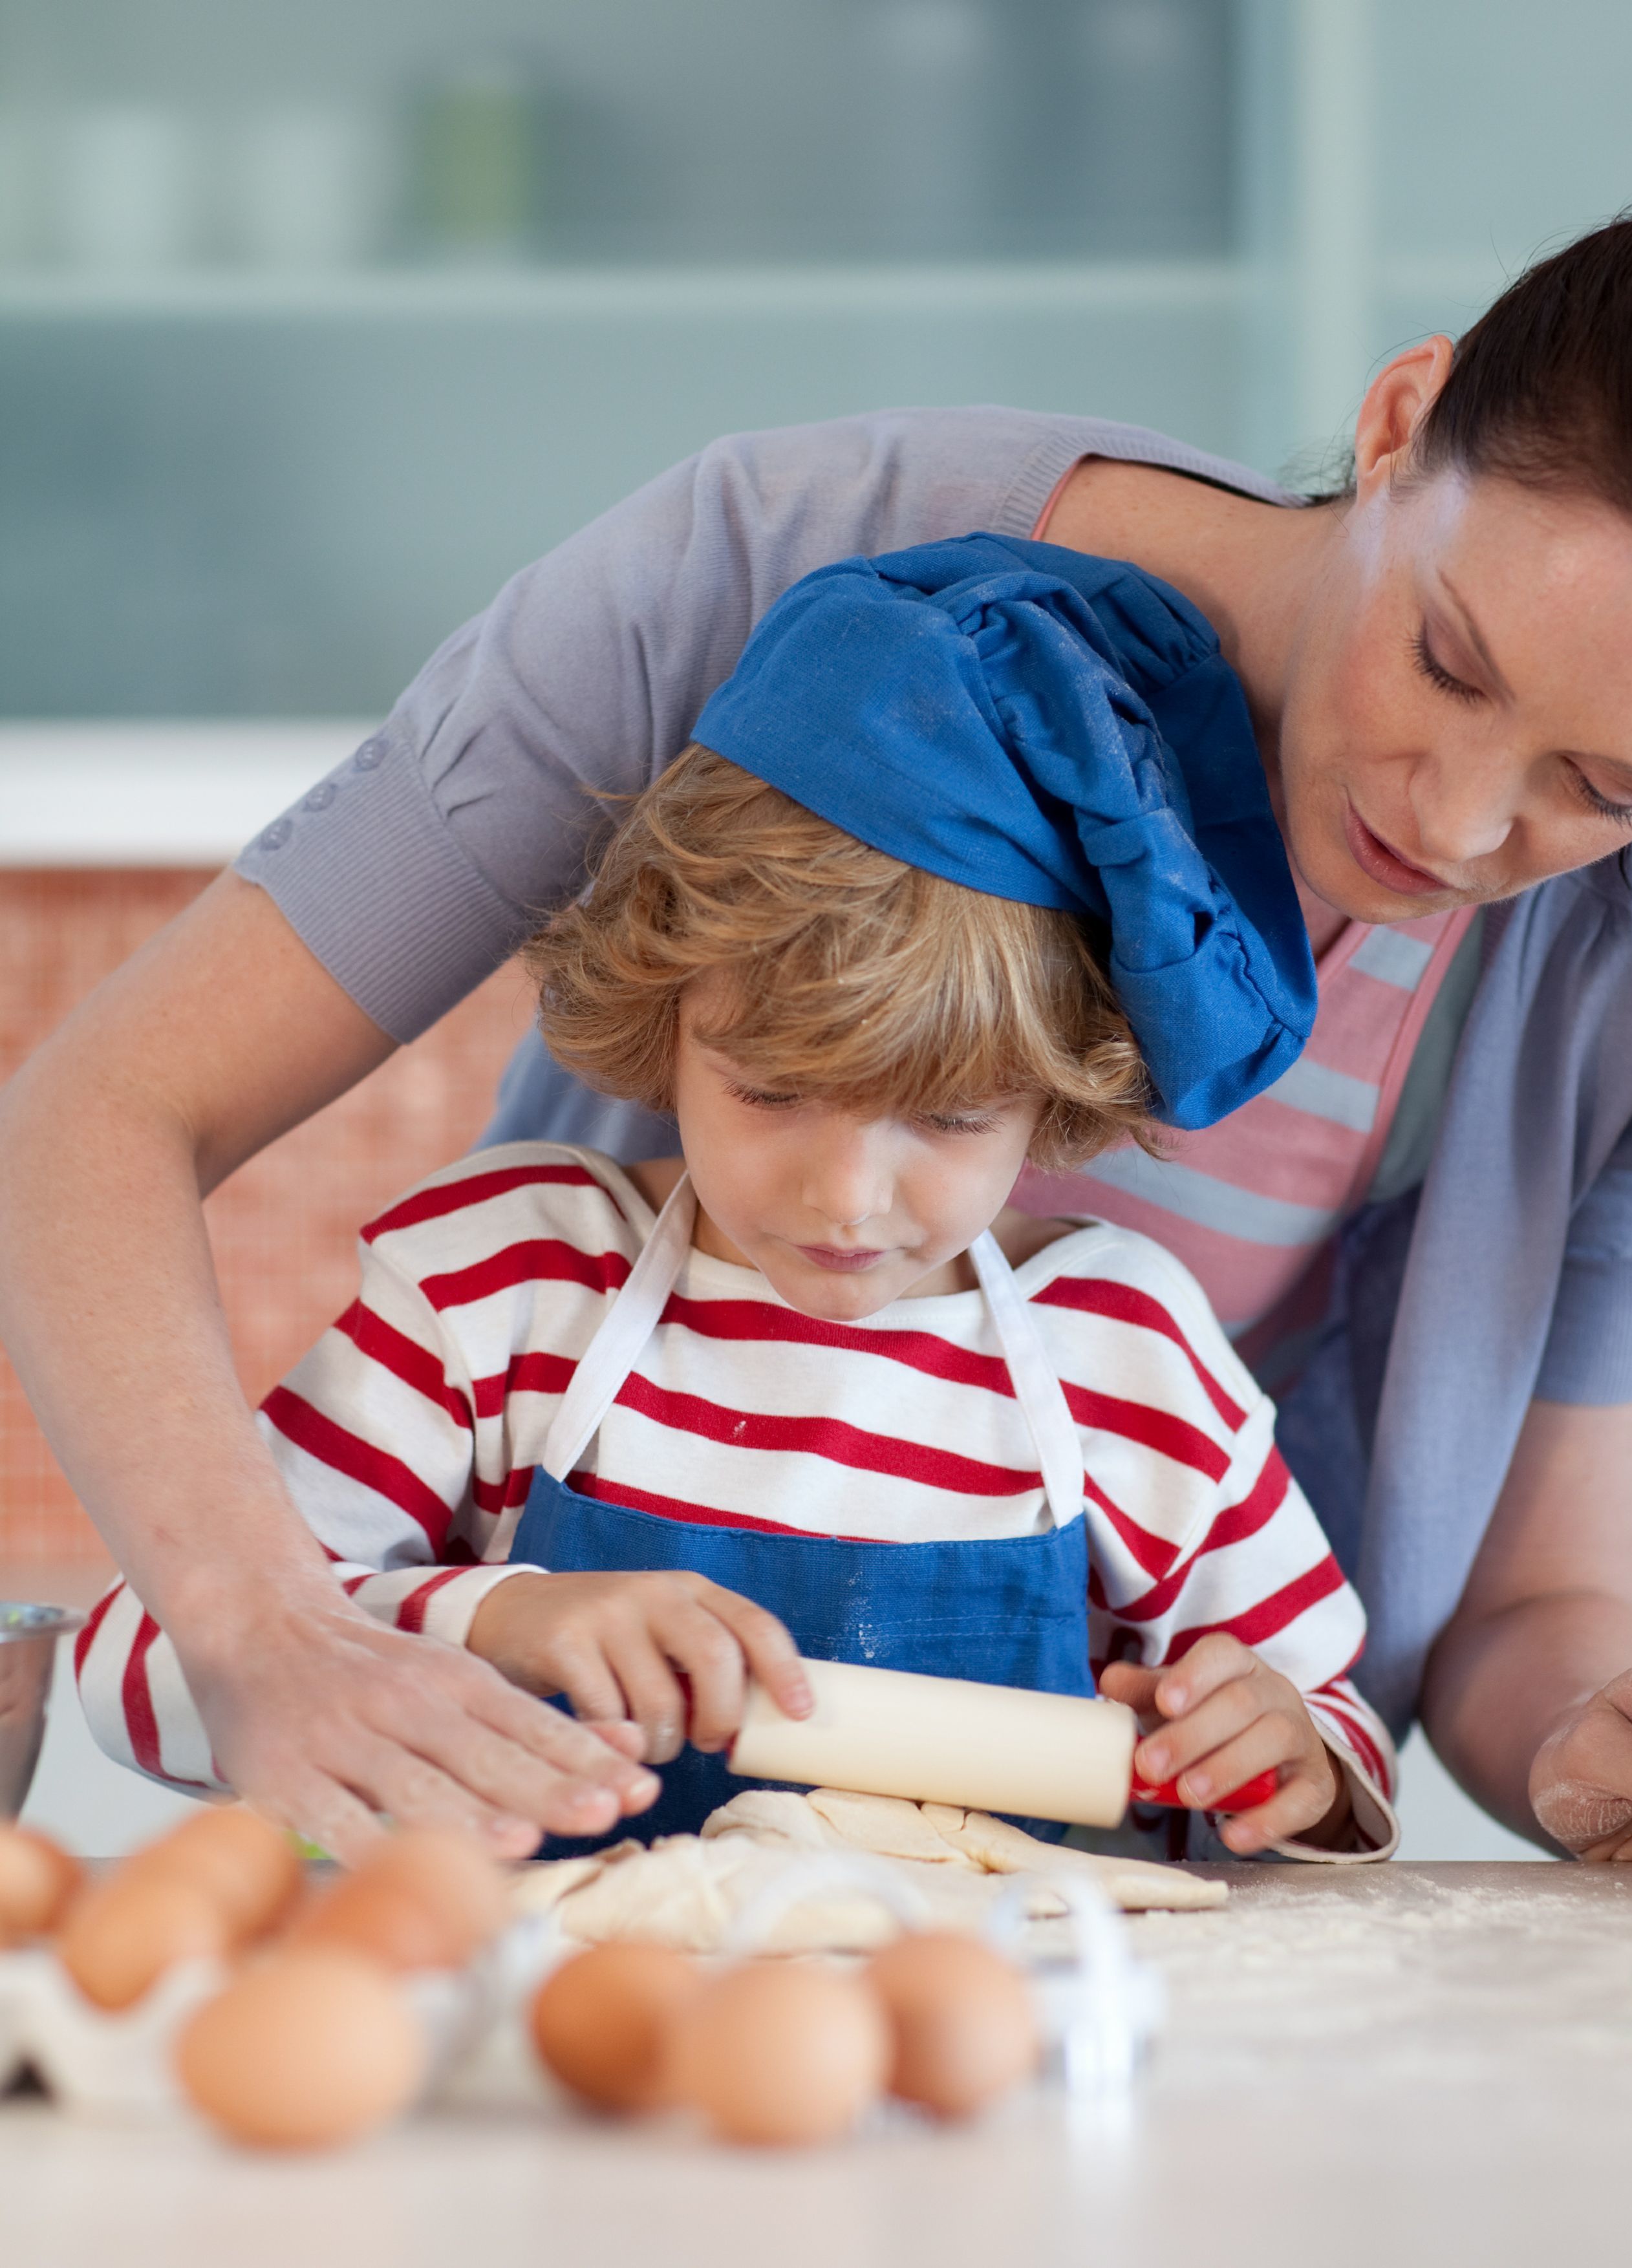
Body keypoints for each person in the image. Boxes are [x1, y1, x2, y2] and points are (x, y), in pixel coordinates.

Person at [0, 187, 1632, 1864]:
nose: (1451, 824)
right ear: (1401, 415)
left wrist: (1601, 1744)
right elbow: (101, 1110)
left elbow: (1528, 1608)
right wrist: (275, 1627)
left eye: (1603, 782)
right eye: (1445, 659)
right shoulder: (768, 581)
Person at [78, 545, 1401, 1863]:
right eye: (772, 1091)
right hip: (538, 2044)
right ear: (665, 1019)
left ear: (1059, 1088)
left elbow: (1335, 1738)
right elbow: (140, 1668)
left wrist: (1282, 1750)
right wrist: (500, 1619)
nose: (845, 1194)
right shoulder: (503, 1292)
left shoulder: (1123, 1354)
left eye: (948, 1115)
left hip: (1010, 2044)